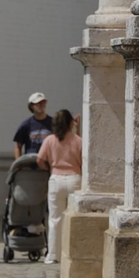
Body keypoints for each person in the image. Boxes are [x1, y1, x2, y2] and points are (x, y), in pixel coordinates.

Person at [36, 109, 83, 265]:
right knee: (74, 218)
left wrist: (49, 167)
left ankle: (53, 254)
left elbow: (39, 160)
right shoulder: (78, 140)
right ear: (71, 122)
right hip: (74, 179)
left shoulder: (50, 140)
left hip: (56, 178)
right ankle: (72, 252)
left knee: (55, 218)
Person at [13, 93, 54, 158]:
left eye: (43, 102)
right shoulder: (26, 125)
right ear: (31, 106)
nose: (41, 105)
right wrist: (18, 165)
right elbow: (18, 147)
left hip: (48, 162)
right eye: (38, 103)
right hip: (31, 163)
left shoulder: (54, 123)